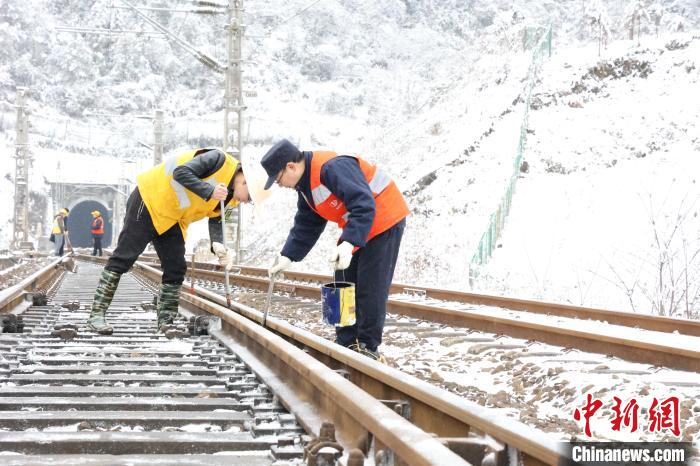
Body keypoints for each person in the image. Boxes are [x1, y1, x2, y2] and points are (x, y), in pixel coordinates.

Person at [85, 148, 264, 335]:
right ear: (245, 182)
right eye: (250, 198)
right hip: (150, 201)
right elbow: (181, 172)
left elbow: (217, 218)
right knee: (124, 258)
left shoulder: (231, 197)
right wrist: (209, 191)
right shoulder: (218, 160)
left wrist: (217, 244)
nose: (246, 202)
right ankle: (96, 315)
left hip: (174, 217)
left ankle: (166, 322)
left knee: (176, 267)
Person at [261, 139, 409, 361]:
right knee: (341, 279)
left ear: (291, 166)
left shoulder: (331, 167)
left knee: (370, 285)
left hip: (384, 217)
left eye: (278, 179)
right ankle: (345, 341)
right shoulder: (305, 186)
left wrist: (349, 243)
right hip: (358, 225)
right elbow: (307, 224)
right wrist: (287, 256)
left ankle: (367, 346)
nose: (279, 185)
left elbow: (363, 203)